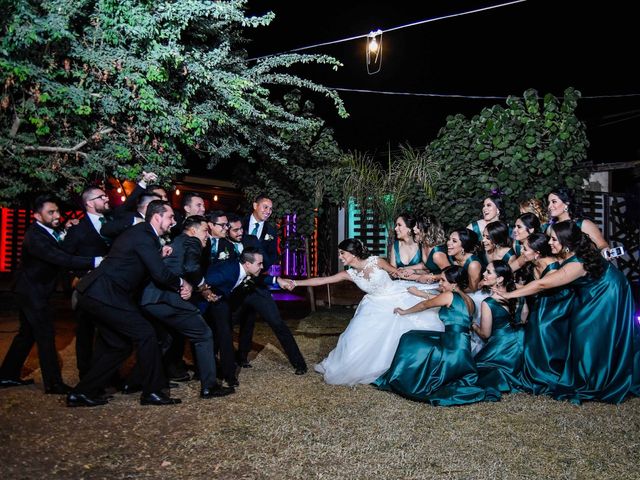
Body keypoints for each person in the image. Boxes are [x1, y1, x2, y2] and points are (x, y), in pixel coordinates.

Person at [497, 221, 639, 404]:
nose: (550, 243)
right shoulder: (567, 254)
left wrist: (509, 294)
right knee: (581, 330)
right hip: (590, 292)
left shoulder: (577, 264)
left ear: (567, 242)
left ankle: (596, 378)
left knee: (591, 333)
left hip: (608, 291)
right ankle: (587, 373)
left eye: (554, 240)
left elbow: (542, 284)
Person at [68, 200, 191, 407]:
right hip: (104, 294)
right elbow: (160, 275)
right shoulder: (144, 235)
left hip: (98, 294)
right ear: (157, 216)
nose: (173, 222)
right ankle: (152, 391)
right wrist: (181, 283)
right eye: (170, 217)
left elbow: (134, 262)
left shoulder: (144, 235)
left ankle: (82, 392)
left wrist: (158, 255)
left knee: (119, 346)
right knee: (146, 334)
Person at [288, 238, 444, 385]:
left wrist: (421, 279)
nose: (340, 256)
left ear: (353, 254)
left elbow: (398, 273)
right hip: (373, 304)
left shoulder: (377, 261)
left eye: (342, 253)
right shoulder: (350, 274)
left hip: (395, 295)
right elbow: (322, 280)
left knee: (401, 329)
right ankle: (350, 365)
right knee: (354, 338)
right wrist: (295, 282)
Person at [0, 195, 99, 394]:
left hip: (34, 289)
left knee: (26, 334)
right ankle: (53, 383)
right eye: (51, 213)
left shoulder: (46, 231)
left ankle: (6, 375)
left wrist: (64, 230)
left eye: (57, 211)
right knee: (45, 334)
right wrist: (94, 261)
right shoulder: (34, 237)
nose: (57, 215)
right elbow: (59, 257)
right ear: (37, 215)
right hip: (31, 291)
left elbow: (57, 242)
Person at [374, 266, 500, 406]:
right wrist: (420, 293)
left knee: (409, 339)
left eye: (443, 280)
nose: (440, 283)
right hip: (462, 348)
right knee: (416, 336)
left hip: (451, 348)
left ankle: (402, 378)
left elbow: (425, 305)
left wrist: (404, 312)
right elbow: (437, 300)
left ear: (453, 284)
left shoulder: (449, 296)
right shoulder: (468, 300)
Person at [138, 215, 235, 399]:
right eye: (205, 230)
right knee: (204, 335)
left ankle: (137, 381)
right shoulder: (192, 241)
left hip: (150, 298)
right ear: (192, 230)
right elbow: (191, 267)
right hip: (166, 298)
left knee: (165, 339)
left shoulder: (177, 241)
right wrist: (203, 287)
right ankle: (209, 386)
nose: (207, 235)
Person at [204, 248, 307, 379]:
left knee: (277, 323)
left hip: (257, 291)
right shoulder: (224, 246)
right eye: (236, 229)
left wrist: (276, 279)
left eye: (241, 228)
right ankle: (214, 367)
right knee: (224, 327)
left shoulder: (252, 243)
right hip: (234, 294)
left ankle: (299, 363)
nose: (240, 231)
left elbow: (261, 268)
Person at [62, 186, 113, 380]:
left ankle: (107, 373)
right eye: (102, 197)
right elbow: (65, 258)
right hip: (86, 286)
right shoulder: (78, 229)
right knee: (85, 332)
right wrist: (75, 278)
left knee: (108, 331)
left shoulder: (112, 223)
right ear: (90, 203)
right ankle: (86, 374)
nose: (107, 199)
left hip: (110, 286)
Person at [515, 233, 572, 395]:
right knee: (532, 329)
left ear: (537, 253)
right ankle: (534, 371)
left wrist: (510, 291)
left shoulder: (552, 266)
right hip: (541, 304)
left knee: (542, 328)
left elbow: (540, 287)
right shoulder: (533, 265)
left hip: (557, 307)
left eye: (525, 249)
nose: (522, 252)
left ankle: (548, 374)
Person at [472, 260, 526, 393]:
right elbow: (523, 319)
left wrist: (472, 325)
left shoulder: (488, 303)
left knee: (473, 371)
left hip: (502, 349)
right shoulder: (520, 295)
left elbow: (485, 334)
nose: (484, 273)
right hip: (524, 343)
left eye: (488, 272)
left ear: (500, 279)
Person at [546, 187, 609, 252]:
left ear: (566, 204)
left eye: (554, 202)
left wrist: (605, 251)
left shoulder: (583, 224)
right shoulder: (550, 227)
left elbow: (602, 245)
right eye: (549, 203)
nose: (549, 206)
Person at [242, 194, 278, 270]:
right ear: (255, 206)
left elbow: (272, 255)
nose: (268, 211)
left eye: (270, 209)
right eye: (265, 207)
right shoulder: (241, 223)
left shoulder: (271, 231)